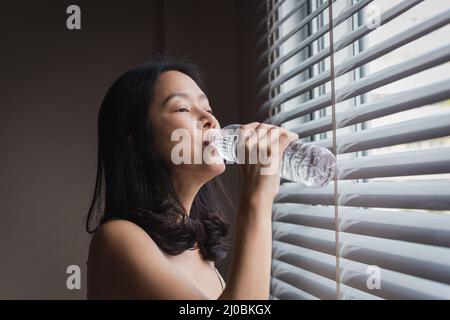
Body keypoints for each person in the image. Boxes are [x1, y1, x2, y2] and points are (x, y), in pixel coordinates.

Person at [85, 57, 298, 299]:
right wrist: (257, 198)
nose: (211, 120)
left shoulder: (195, 245)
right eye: (183, 108)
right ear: (136, 140)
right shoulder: (117, 238)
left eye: (207, 109)